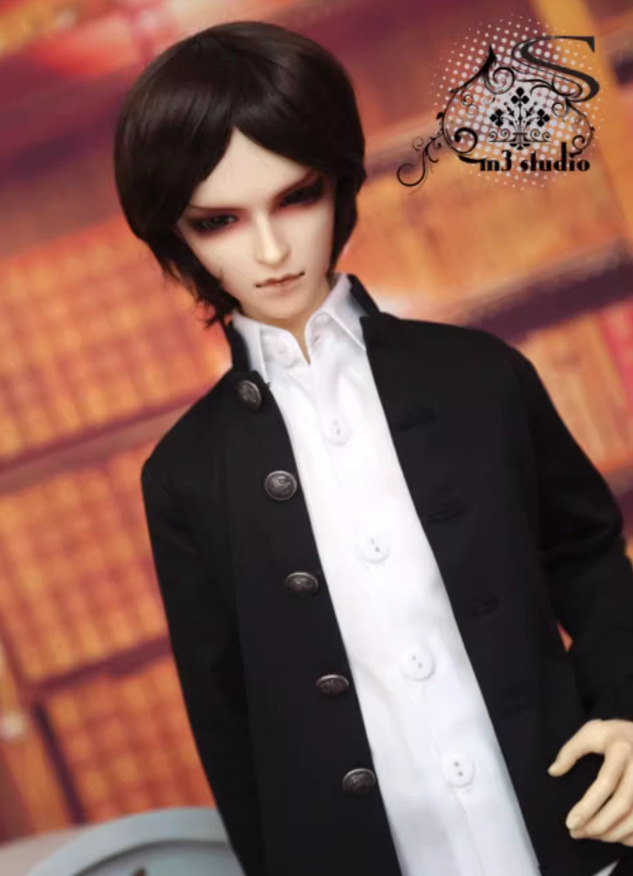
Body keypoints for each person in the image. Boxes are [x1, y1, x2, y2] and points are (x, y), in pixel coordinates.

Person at [113, 19, 633, 876]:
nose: (270, 250)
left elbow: (586, 555)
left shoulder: (478, 376)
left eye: (296, 197)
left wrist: (625, 711)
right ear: (175, 234)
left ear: (340, 182)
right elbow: (229, 722)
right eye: (219, 220)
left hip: (571, 828)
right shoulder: (184, 476)